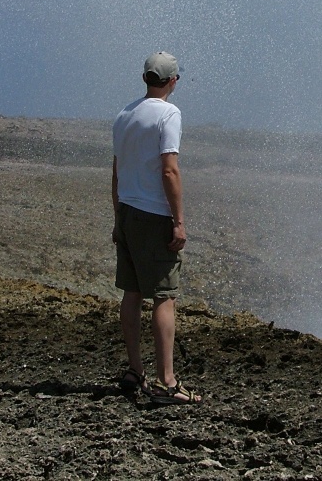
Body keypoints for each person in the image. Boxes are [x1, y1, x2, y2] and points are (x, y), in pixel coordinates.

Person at [111, 51, 200, 404]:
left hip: (128, 211)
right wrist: (178, 222)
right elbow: (169, 170)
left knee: (132, 293)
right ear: (173, 81)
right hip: (153, 216)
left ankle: (135, 370)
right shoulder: (169, 114)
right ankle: (167, 382)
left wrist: (118, 218)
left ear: (145, 78)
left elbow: (117, 171)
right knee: (164, 296)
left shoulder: (124, 115)